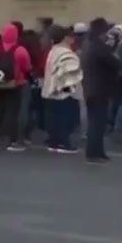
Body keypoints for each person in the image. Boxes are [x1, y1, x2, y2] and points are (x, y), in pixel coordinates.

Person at [0, 23, 33, 151]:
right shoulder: (20, 50)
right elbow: (27, 67)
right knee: (12, 112)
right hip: (15, 84)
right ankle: (12, 140)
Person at [81, 18, 119, 163]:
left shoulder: (90, 45)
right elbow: (115, 62)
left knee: (95, 122)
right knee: (97, 123)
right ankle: (94, 153)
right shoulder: (99, 47)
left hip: (91, 88)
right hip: (99, 89)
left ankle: (98, 151)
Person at [42, 25, 82, 153]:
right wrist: (69, 91)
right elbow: (70, 74)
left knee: (54, 118)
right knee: (65, 118)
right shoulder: (66, 53)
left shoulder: (53, 51)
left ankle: (54, 141)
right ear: (65, 38)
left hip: (51, 90)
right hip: (63, 91)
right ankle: (64, 143)